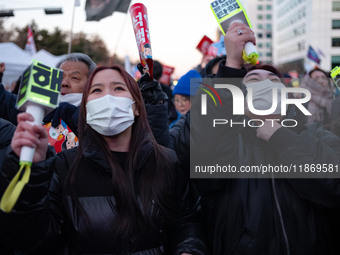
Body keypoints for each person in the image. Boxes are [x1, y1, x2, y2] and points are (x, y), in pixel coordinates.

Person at [0, 65, 209, 255]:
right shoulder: (63, 167)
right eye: (96, 90)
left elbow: (187, 221)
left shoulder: (166, 162)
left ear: (136, 107)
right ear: (86, 108)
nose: (107, 97)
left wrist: (188, 250)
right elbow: (33, 238)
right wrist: (31, 174)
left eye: (118, 88)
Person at [174, 22, 340, 254]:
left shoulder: (315, 134)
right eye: (252, 81)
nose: (264, 85)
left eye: (273, 81)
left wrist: (281, 138)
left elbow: (333, 189)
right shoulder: (228, 142)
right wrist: (231, 67)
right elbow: (195, 147)